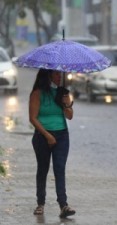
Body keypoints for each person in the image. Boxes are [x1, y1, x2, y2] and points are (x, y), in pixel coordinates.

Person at [29, 69, 75, 218]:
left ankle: (63, 205)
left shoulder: (63, 93)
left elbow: (70, 116)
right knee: (43, 169)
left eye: (60, 74)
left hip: (62, 136)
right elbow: (33, 118)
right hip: (42, 136)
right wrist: (47, 135)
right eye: (55, 74)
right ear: (48, 75)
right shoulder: (37, 93)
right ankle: (40, 204)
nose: (59, 77)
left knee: (59, 169)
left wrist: (66, 104)